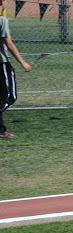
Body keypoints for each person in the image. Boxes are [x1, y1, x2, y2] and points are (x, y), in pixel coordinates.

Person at [0, 0, 31, 138]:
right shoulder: (2, 20)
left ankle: (0, 131)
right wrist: (22, 62)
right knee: (10, 97)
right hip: (2, 64)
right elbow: (9, 43)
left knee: (1, 97)